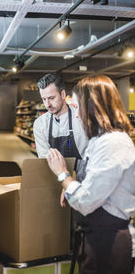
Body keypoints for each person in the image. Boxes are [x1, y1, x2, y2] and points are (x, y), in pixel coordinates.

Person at [47, 75, 135, 274]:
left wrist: (63, 175)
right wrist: (73, 185)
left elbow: (85, 200)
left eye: (77, 107)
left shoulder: (113, 144)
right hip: (95, 236)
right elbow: (92, 184)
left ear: (93, 107)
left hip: (108, 244)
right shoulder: (98, 140)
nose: (76, 115)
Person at [33, 73, 88, 159]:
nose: (47, 105)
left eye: (51, 98)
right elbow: (44, 159)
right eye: (44, 99)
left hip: (83, 172)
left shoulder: (81, 117)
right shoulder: (40, 124)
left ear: (63, 94)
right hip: (54, 172)